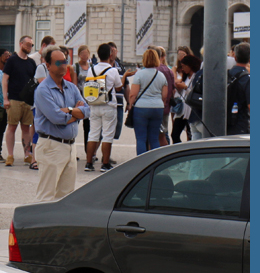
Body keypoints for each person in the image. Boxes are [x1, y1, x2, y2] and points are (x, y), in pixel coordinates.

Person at [33, 46, 90, 202]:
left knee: (66, 196)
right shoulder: (43, 90)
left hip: (70, 147)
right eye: (59, 63)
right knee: (47, 195)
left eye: (65, 61)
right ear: (48, 65)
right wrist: (75, 112)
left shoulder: (71, 87)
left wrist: (69, 111)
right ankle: (42, 226)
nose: (64, 65)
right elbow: (57, 118)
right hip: (52, 146)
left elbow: (87, 111)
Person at [84, 43, 121, 172]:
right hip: (108, 105)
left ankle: (89, 163)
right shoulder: (113, 70)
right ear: (110, 55)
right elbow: (118, 86)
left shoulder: (91, 69)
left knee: (93, 134)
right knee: (107, 135)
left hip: (94, 104)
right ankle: (105, 163)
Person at [126, 48, 168, 156]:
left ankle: (141, 163)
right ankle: (155, 161)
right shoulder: (161, 75)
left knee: (141, 138)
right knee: (154, 138)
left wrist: (130, 104)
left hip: (141, 108)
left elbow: (133, 94)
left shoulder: (139, 75)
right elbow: (164, 95)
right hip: (157, 108)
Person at [2, 35, 35, 166]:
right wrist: (5, 98)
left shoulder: (31, 62)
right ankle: (10, 155)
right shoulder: (12, 60)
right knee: (12, 126)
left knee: (26, 128)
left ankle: (27, 154)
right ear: (21, 44)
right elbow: (5, 79)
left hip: (28, 100)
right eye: (27, 44)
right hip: (14, 99)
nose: (29, 47)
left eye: (31, 45)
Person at [177, 54, 204, 141]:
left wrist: (185, 87)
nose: (182, 69)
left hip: (193, 110)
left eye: (184, 66)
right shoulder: (188, 76)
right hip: (187, 111)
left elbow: (194, 93)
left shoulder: (197, 75)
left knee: (194, 136)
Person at [153, 47, 176, 146]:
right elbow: (173, 90)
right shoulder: (169, 70)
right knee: (164, 132)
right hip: (165, 106)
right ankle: (166, 154)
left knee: (155, 135)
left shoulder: (154, 70)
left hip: (154, 106)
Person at [227, 42, 250, 135]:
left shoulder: (226, 74)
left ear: (235, 57)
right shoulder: (247, 78)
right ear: (249, 59)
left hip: (225, 121)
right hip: (240, 123)